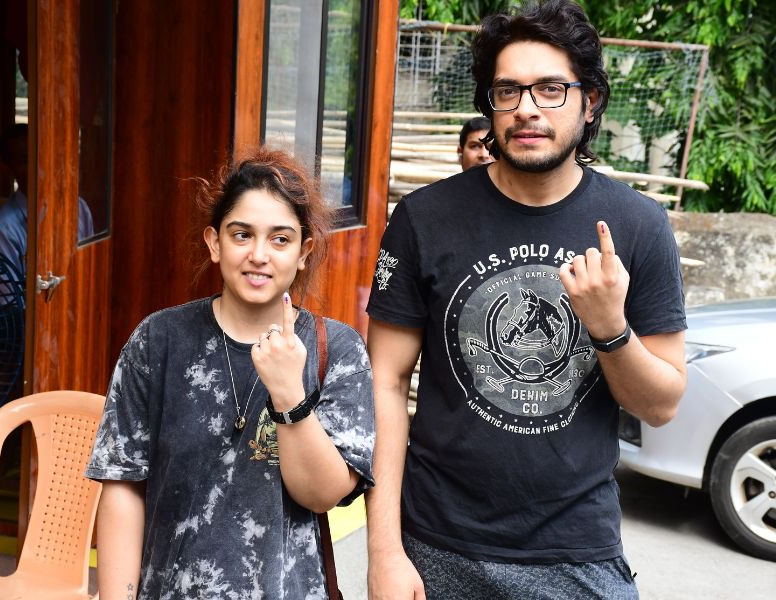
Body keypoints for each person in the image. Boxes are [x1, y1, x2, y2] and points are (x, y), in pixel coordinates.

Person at [365, 1, 687, 598]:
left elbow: (661, 404)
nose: (527, 108)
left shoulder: (637, 225)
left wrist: (610, 328)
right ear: (490, 104)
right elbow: (385, 383)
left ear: (590, 102)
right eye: (508, 90)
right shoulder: (424, 219)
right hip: (435, 543)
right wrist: (383, 552)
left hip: (577, 550)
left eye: (550, 89)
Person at [86, 147, 375, 599]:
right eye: (242, 235)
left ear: (304, 251)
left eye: (280, 239)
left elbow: (324, 494)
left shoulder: (337, 349)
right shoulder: (158, 340)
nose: (259, 254)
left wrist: (289, 394)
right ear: (214, 242)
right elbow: (123, 485)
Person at [0, 123, 94, 279]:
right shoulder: (0, 230)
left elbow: (89, 273)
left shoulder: (79, 208)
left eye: (43, 155)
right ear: (8, 169)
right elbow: (7, 294)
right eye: (26, 161)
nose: (40, 167)